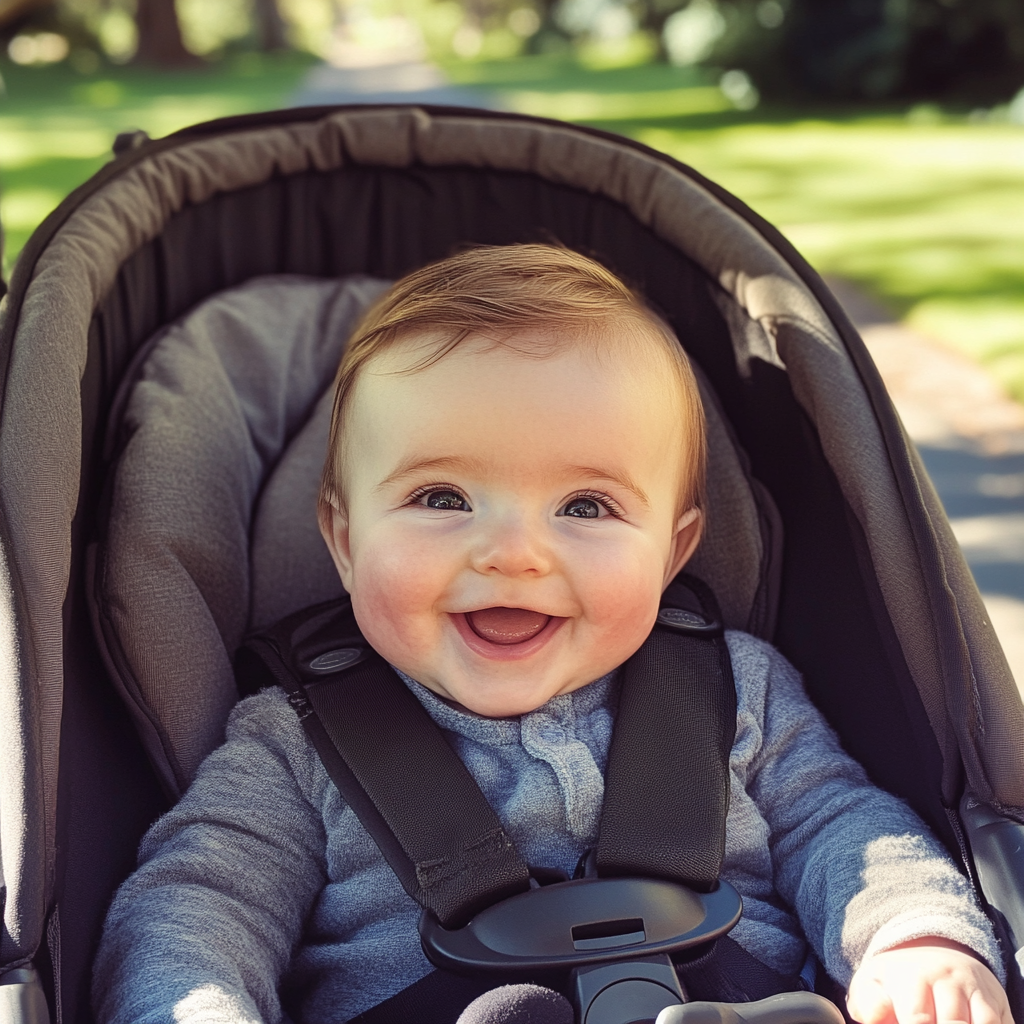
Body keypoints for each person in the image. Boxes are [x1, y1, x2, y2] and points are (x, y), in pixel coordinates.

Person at [93, 245, 1012, 1024]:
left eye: (586, 505)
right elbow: (202, 902)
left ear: (672, 550)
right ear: (342, 539)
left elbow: (842, 830)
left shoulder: (739, 690)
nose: (513, 552)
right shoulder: (291, 741)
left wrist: (912, 936)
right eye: (440, 497)